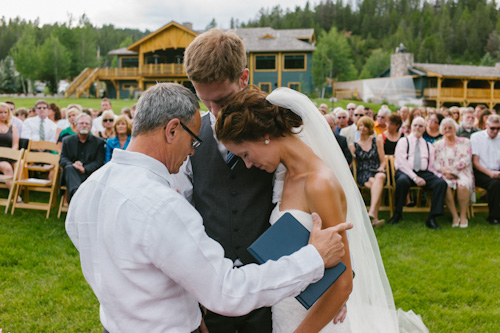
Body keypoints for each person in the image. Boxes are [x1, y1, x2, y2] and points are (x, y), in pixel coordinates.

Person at [66, 83, 352, 333]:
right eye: (193, 141)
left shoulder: (90, 189)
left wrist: (190, 310)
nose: (192, 152)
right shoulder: (162, 206)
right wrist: (314, 259)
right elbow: (227, 291)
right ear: (172, 130)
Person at [216, 87, 428, 332]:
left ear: (265, 134)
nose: (248, 164)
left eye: (245, 154)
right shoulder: (284, 176)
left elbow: (343, 282)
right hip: (287, 308)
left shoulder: (319, 183)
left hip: (314, 321)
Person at [175, 28, 273, 332]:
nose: (215, 111)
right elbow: (181, 211)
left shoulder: (275, 128)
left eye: (223, 99)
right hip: (211, 290)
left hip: (269, 285)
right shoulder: (190, 139)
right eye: (206, 101)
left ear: (244, 78)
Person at [389, 117, 448, 230]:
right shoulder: (403, 141)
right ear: (411, 127)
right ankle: (397, 213)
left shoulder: (428, 145)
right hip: (406, 172)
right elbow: (401, 163)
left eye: (421, 126)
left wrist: (440, 175)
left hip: (424, 172)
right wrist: (415, 177)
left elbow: (431, 165)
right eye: (415, 125)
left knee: (441, 183)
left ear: (424, 128)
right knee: (402, 181)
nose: (417, 128)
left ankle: (432, 217)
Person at [433, 118, 474, 228]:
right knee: (444, 185)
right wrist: (445, 171)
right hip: (445, 173)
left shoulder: (465, 142)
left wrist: (453, 171)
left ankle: (463, 215)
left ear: (455, 128)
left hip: (462, 171)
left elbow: (466, 159)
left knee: (462, 185)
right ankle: (455, 215)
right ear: (442, 130)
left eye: (450, 127)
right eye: (445, 128)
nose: (447, 130)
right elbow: (435, 163)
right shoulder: (437, 145)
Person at [349, 116, 387, 227]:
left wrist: (381, 167)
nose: (363, 128)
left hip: (376, 170)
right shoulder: (354, 146)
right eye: (361, 125)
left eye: (366, 126)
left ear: (370, 128)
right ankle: (375, 218)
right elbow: (352, 163)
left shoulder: (377, 141)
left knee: (380, 177)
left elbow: (383, 161)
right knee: (376, 184)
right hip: (363, 172)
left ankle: (371, 213)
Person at [60, 113, 105, 202]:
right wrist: (73, 164)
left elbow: (99, 162)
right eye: (81, 123)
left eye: (87, 123)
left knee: (70, 170)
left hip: (89, 174)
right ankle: (78, 197)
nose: (84, 125)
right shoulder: (67, 141)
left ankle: (75, 199)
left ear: (91, 127)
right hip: (71, 174)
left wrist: (84, 169)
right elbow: (62, 159)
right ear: (76, 126)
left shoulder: (99, 142)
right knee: (69, 168)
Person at [470, 114, 500, 225]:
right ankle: (494, 217)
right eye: (493, 128)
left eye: (498, 128)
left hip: (497, 171)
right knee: (495, 184)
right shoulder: (476, 137)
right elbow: (475, 162)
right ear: (486, 126)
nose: (495, 131)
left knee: (496, 182)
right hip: (480, 171)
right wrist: (490, 173)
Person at [0, 102, 20, 198]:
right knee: (7, 168)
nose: (3, 115)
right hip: (0, 158)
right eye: (0, 112)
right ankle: (15, 196)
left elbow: (15, 144)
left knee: (20, 164)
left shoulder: (12, 127)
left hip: (9, 155)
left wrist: (10, 154)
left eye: (5, 112)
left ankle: (20, 191)